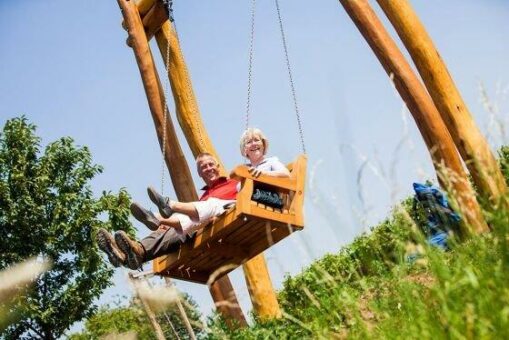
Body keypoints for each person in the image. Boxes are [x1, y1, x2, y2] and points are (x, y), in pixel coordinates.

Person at [97, 128, 289, 270]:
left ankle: (166, 209)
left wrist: (256, 176)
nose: (208, 169)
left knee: (207, 208)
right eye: (203, 167)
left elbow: (281, 180)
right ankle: (130, 252)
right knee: (179, 224)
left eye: (211, 165)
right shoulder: (212, 190)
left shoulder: (238, 178)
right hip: (206, 219)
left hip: (241, 208)